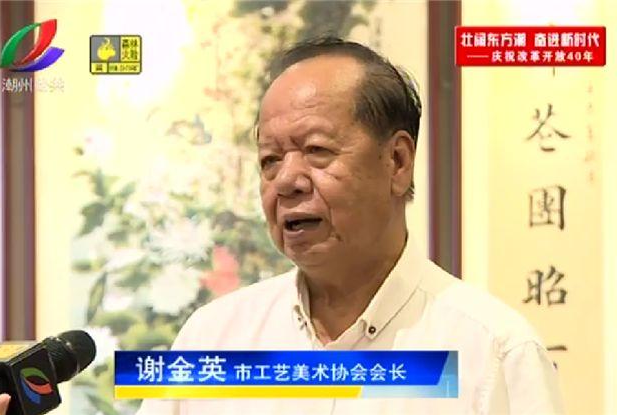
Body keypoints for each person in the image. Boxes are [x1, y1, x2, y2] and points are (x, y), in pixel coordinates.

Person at [134, 37, 564, 414]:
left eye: (316, 150)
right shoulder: (212, 339)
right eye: (270, 160)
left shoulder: (493, 350)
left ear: (397, 162)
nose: (286, 180)